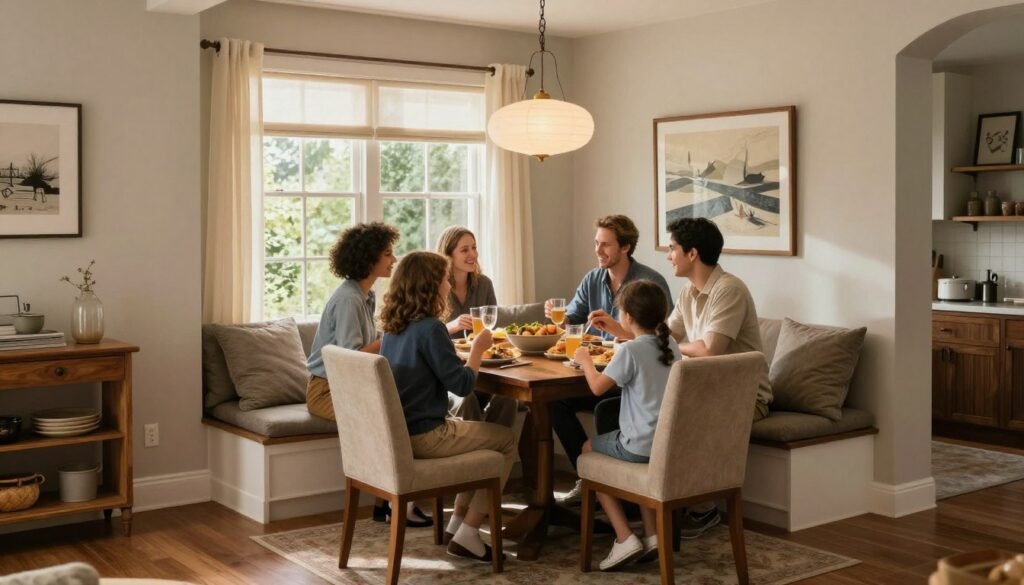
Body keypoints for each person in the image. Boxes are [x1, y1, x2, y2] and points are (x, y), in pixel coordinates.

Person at [590, 216, 773, 540]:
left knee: (660, 417)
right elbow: (657, 336)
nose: (668, 255)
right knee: (612, 408)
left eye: (673, 248)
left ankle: (700, 509)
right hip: (702, 390)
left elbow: (710, 349)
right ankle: (635, 494)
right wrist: (620, 329)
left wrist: (661, 343)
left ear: (693, 253)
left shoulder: (728, 290)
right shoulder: (690, 292)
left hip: (742, 397)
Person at [379, 251, 517, 562]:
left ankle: (457, 521)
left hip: (404, 431)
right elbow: (464, 385)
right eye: (443, 278)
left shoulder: (393, 327)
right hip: (428, 435)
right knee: (505, 441)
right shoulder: (431, 328)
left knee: (486, 438)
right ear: (430, 286)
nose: (447, 283)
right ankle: (469, 530)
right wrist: (479, 349)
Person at [304, 222, 429, 527]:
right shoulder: (349, 299)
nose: (394, 260)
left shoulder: (364, 295)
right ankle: (394, 502)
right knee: (391, 419)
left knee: (404, 408)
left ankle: (388, 503)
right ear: (369, 259)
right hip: (326, 391)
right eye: (388, 254)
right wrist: (393, 338)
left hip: (345, 387)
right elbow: (350, 361)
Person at [546, 215, 672, 504]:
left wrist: (618, 330)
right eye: (596, 243)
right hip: (606, 373)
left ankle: (606, 485)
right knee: (553, 403)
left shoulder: (650, 283)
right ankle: (590, 479)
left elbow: (661, 336)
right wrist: (557, 316)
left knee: (604, 406)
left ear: (625, 247)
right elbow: (572, 324)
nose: (598, 251)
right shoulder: (593, 278)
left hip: (631, 382)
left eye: (606, 245)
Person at [573, 280, 680, 571]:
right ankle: (652, 534)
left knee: (587, 451)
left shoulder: (630, 351)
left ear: (628, 317)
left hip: (640, 446)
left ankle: (624, 537)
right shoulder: (670, 344)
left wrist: (584, 360)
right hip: (666, 446)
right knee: (615, 432)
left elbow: (596, 387)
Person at [435, 225, 518, 429]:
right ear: (448, 255)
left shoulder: (484, 284)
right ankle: (479, 455)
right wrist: (452, 326)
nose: (472, 254)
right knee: (467, 398)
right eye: (464, 250)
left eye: (474, 247)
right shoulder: (438, 286)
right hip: (450, 372)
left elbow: (493, 328)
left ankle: (496, 456)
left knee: (509, 399)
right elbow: (428, 335)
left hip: (482, 366)